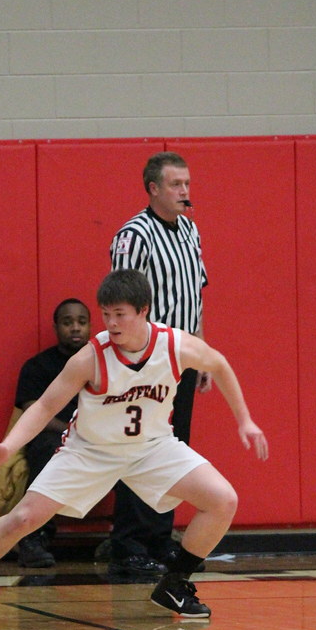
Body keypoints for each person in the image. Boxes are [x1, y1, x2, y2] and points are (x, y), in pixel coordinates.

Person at [0, 270, 268, 622]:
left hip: (152, 447)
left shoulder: (176, 345)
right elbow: (43, 406)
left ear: (143, 310)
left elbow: (219, 364)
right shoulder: (91, 356)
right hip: (90, 451)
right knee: (22, 519)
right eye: (106, 314)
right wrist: (9, 446)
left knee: (223, 500)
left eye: (120, 314)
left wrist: (245, 419)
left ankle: (174, 583)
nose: (111, 323)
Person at [106, 151, 209, 581]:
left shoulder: (190, 230)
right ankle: (129, 542)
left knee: (173, 447)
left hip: (182, 354)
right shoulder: (135, 234)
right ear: (153, 189)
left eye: (187, 183)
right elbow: (122, 300)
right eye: (176, 185)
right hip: (147, 359)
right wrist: (134, 357)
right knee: (139, 447)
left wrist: (199, 350)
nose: (185, 191)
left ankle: (157, 535)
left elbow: (195, 294)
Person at [14, 298, 91, 568]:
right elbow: (32, 409)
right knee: (46, 448)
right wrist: (73, 432)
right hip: (56, 436)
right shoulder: (37, 366)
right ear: (56, 326)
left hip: (98, 437)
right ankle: (33, 538)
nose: (75, 328)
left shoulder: (104, 364)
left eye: (82, 321)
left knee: (135, 452)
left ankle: (129, 542)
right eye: (68, 322)